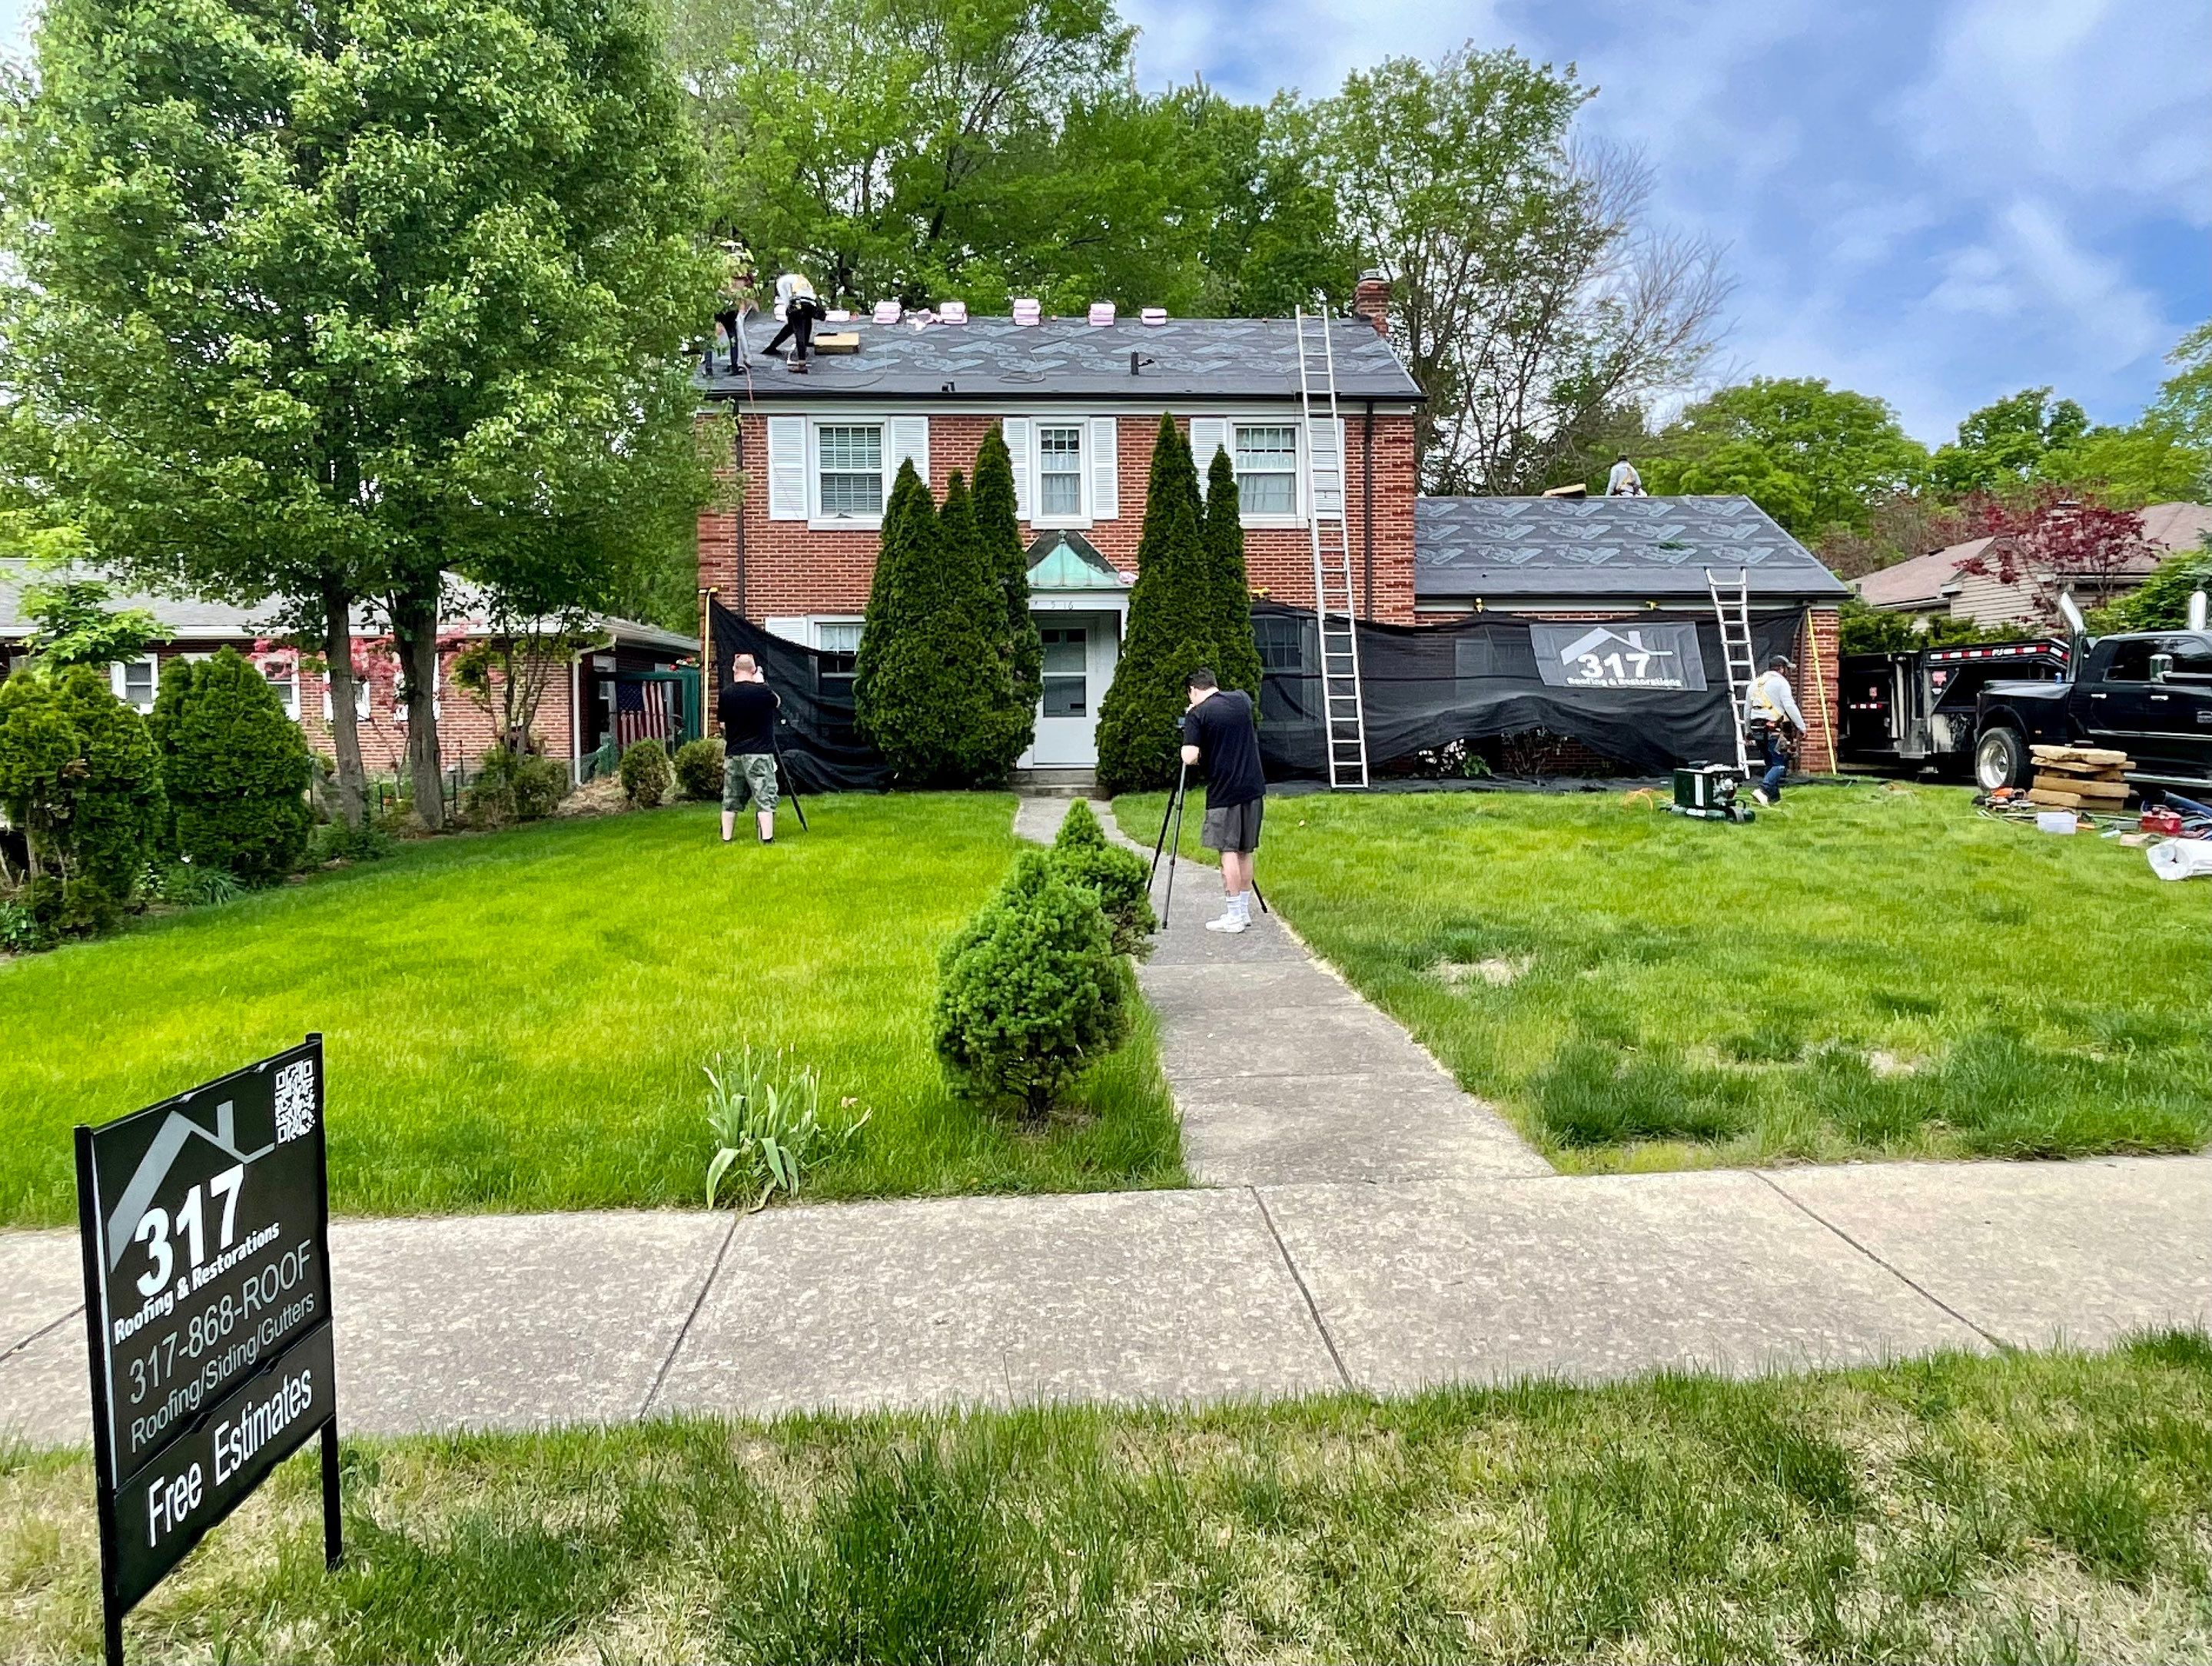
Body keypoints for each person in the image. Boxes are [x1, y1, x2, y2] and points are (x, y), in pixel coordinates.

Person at [1180, 666, 1264, 934]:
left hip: (1224, 792)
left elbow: (1190, 757)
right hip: (1253, 786)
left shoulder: (1198, 714)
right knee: (1245, 849)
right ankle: (1244, 911)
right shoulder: (1241, 699)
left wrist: (1190, 730)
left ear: (1193, 690)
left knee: (1227, 850)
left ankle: (1233, 917)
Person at [718, 652, 781, 845]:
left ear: (734, 670)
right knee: (765, 797)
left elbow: (722, 724)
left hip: (734, 753)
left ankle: (727, 838)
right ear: (754, 670)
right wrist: (762, 683)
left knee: (730, 798)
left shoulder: (726, 694)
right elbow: (777, 702)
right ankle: (767, 839)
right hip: (760, 753)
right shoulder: (762, 692)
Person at [1746, 652, 1805, 806]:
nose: (1787, 672)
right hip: (1773, 730)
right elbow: (1789, 706)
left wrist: (1748, 732)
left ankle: (1773, 799)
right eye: (1786, 669)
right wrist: (1801, 726)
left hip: (1757, 729)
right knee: (1779, 764)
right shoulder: (1781, 683)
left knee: (1770, 763)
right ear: (1781, 669)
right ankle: (1763, 790)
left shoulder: (1755, 683)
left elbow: (1747, 709)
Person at [762, 271, 826, 375]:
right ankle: (772, 348)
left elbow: (787, 301)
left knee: (799, 330)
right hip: (811, 305)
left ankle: (801, 364)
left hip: (798, 304)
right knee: (797, 325)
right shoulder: (800, 278)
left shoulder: (781, 281)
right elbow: (812, 295)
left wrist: (789, 314)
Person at [709, 241, 756, 376]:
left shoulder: (740, 269)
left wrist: (741, 307)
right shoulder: (725, 268)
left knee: (738, 334)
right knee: (734, 336)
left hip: (735, 305)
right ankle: (735, 363)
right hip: (728, 305)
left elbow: (744, 287)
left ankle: (743, 361)